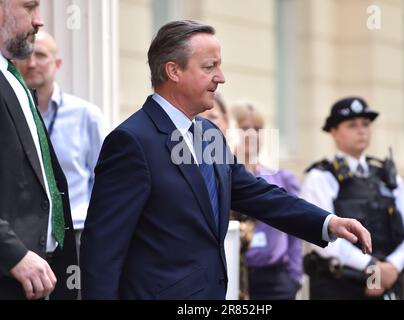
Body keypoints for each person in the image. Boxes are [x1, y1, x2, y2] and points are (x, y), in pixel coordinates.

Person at [80, 20, 372, 300]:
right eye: (210, 67)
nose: (221, 77)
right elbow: (103, 249)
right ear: (173, 71)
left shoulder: (207, 133)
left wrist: (328, 222)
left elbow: (255, 194)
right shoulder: (131, 142)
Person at [301, 96, 404, 300]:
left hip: (387, 283)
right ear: (333, 132)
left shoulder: (387, 177)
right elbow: (323, 238)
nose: (361, 130)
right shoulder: (321, 177)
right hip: (339, 286)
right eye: (352, 125)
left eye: (366, 124)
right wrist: (372, 268)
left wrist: (392, 266)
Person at [0, 0, 78, 300]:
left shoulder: (13, 76)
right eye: (30, 7)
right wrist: (14, 254)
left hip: (41, 277)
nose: (39, 21)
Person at [15, 30, 106, 255]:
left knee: (75, 291)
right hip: (23, 235)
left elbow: (104, 179)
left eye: (41, 55)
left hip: (76, 232)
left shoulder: (86, 115)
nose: (32, 63)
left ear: (57, 63)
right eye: (26, 55)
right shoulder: (10, 115)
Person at [233, 102, 303, 300]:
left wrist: (294, 277)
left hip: (275, 278)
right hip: (236, 276)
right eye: (245, 128)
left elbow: (294, 232)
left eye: (258, 129)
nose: (252, 135)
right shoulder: (223, 177)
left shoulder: (281, 179)